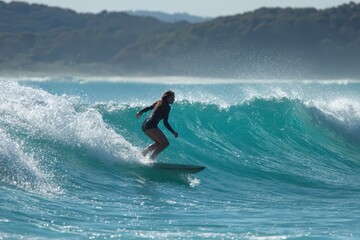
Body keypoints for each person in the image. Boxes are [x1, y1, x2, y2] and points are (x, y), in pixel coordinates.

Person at [136, 90, 178, 159]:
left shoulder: (159, 102)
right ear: (167, 98)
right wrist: (173, 132)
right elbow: (165, 122)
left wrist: (140, 112)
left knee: (158, 143)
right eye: (172, 97)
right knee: (165, 143)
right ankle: (151, 158)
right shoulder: (167, 107)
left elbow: (149, 108)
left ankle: (144, 153)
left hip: (145, 125)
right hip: (151, 125)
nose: (174, 99)